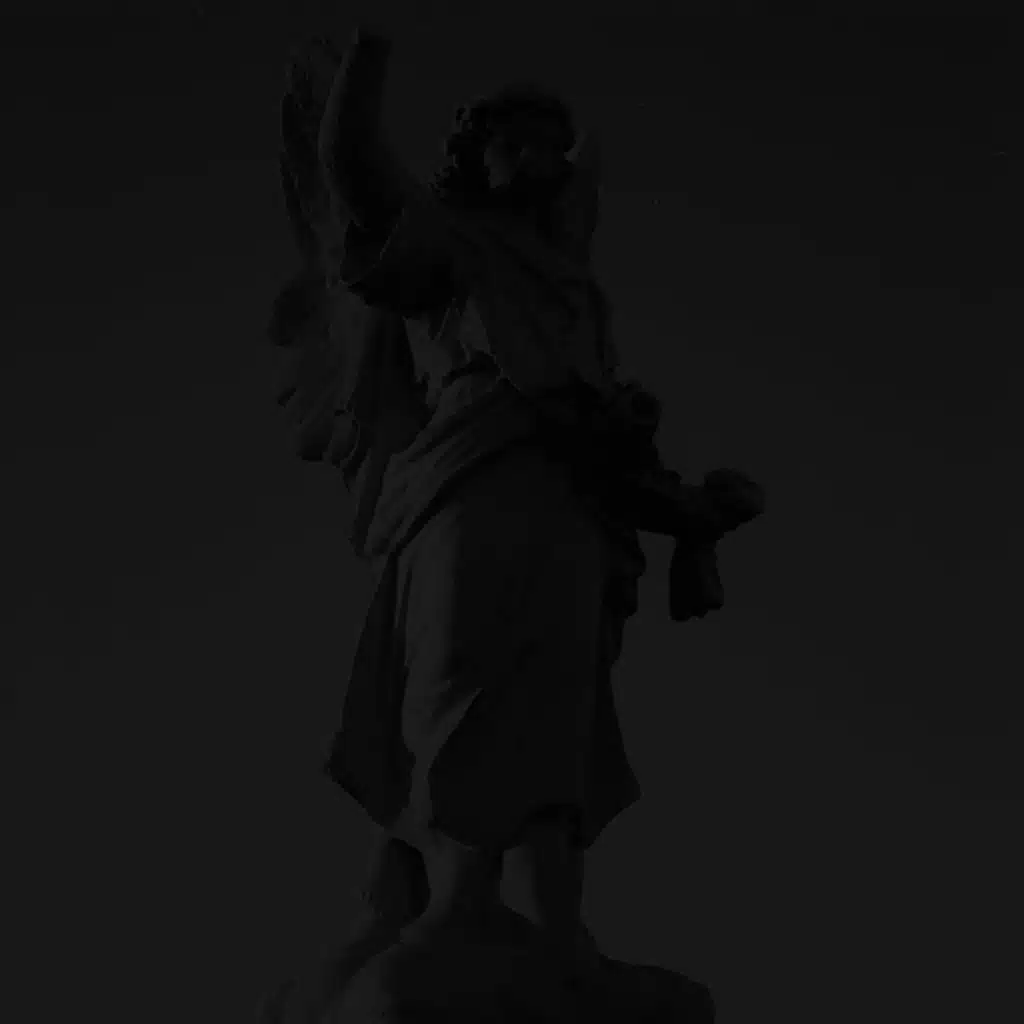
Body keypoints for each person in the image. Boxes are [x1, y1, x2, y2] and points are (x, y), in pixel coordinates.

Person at [267, 27, 763, 1009]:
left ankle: (555, 922)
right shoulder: (449, 241)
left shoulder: (576, 293)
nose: (536, 156)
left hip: (572, 513)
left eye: (550, 142)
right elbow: (354, 167)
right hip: (466, 490)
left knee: (556, 707)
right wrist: (372, 45)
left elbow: (599, 425)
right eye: (514, 140)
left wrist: (690, 512)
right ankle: (455, 904)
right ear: (476, 155)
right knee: (461, 680)